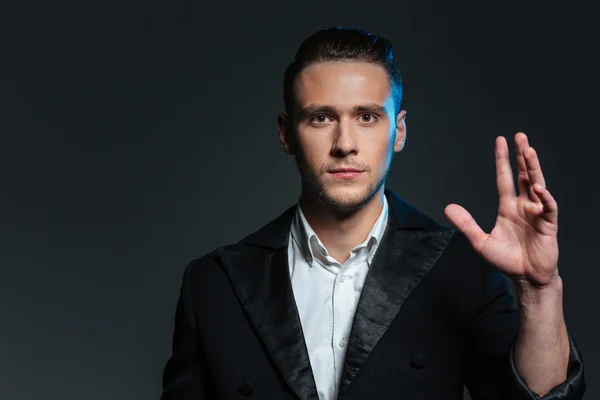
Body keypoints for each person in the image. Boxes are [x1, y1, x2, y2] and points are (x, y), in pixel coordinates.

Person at [159, 27, 586, 400]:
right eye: (321, 117)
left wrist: (539, 288)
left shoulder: (461, 268)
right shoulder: (215, 284)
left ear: (397, 131)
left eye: (366, 116)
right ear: (287, 134)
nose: (345, 143)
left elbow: (537, 397)